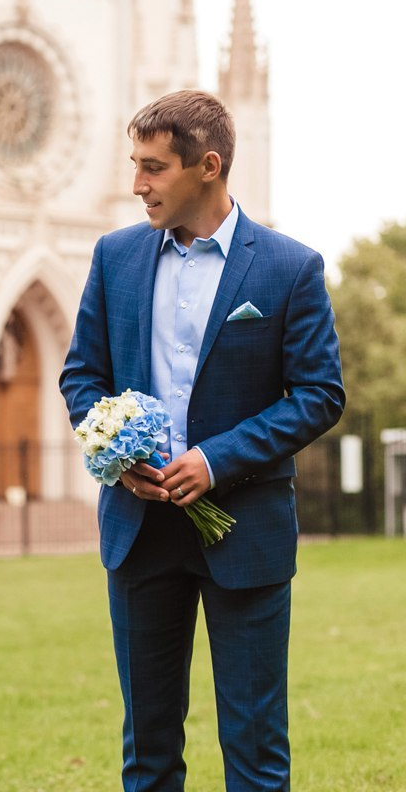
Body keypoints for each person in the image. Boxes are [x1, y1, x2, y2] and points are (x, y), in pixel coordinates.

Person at [59, 90, 344, 791]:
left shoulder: (289, 267)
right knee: (148, 753)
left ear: (208, 166)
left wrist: (217, 460)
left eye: (153, 168)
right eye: (135, 164)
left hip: (245, 533)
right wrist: (119, 459)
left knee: (255, 754)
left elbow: (319, 395)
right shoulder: (114, 256)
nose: (137, 184)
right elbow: (81, 378)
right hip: (138, 531)